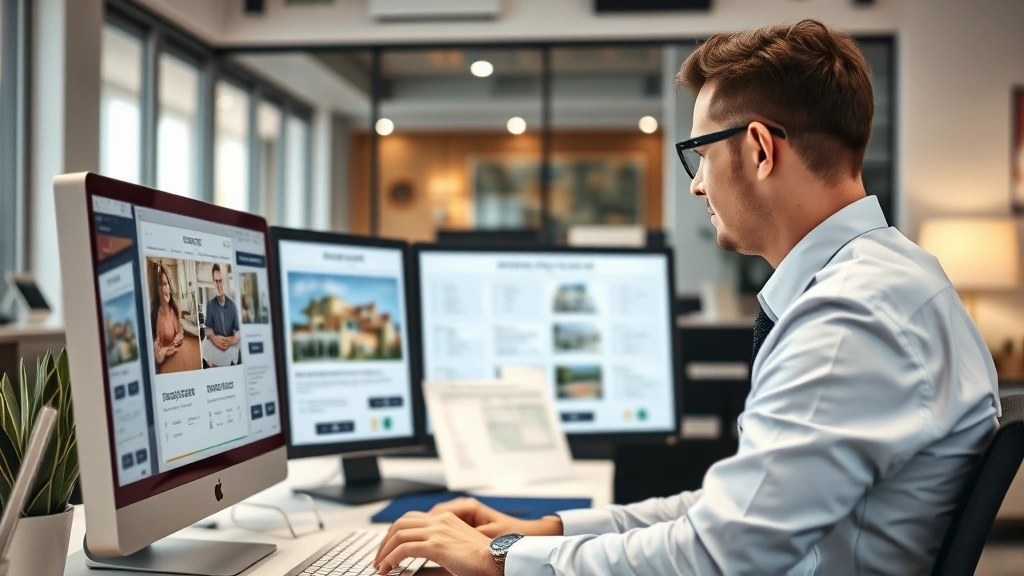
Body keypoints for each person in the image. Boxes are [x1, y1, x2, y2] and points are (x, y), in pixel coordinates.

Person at [372, 19, 1002, 576]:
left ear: (759, 148)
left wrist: (501, 560)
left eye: (699, 154)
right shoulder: (885, 281)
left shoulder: (849, 319)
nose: (697, 185)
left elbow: (718, 554)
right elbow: (734, 512)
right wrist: (546, 532)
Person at [202, 263, 240, 367]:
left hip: (229, 342)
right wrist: (214, 338)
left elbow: (238, 330)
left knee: (236, 348)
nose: (218, 285)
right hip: (216, 341)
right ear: (213, 282)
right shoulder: (210, 304)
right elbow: (208, 328)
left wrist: (231, 340)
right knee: (204, 343)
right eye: (216, 281)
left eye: (220, 281)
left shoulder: (232, 305)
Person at [150, 264, 184, 368]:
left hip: (178, 355)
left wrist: (180, 335)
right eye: (160, 285)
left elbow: (180, 329)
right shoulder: (154, 315)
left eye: (166, 284)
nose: (164, 288)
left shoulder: (175, 308)